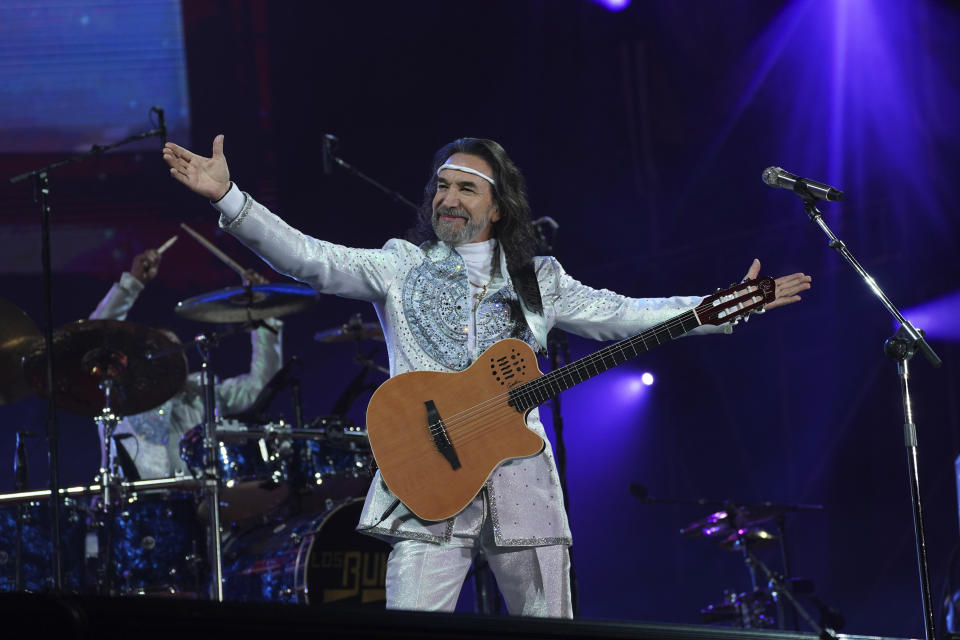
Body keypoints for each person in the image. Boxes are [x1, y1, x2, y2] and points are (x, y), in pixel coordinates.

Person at [162, 135, 811, 617]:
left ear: (497, 206)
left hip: (520, 481)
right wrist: (231, 199)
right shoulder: (399, 265)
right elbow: (309, 260)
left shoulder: (539, 280)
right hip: (425, 483)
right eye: (441, 186)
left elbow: (627, 315)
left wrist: (721, 307)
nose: (447, 197)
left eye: (465, 187)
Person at [90, 246, 284, 481]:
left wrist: (264, 313)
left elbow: (262, 385)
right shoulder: (123, 397)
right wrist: (131, 284)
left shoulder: (203, 393)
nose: (171, 353)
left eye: (176, 347)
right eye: (160, 348)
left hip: (200, 506)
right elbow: (96, 339)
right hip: (139, 508)